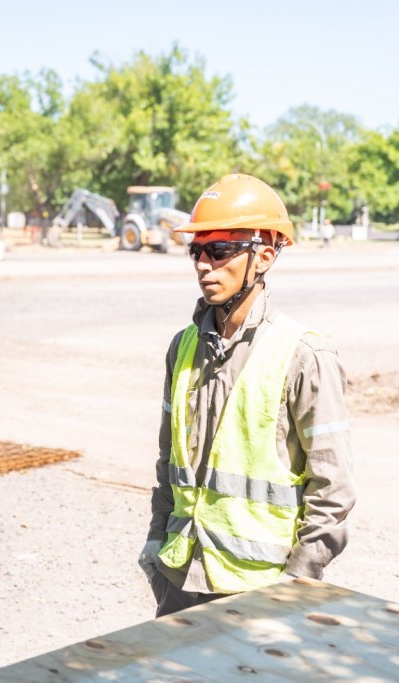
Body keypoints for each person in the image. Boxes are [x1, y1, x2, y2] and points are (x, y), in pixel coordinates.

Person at [138, 173, 356, 617]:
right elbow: (169, 466)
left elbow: (332, 489)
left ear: (264, 257)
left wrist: (297, 581)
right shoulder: (182, 347)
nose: (203, 264)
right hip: (181, 576)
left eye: (219, 250)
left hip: (262, 588)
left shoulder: (304, 355)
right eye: (196, 250)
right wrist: (157, 543)